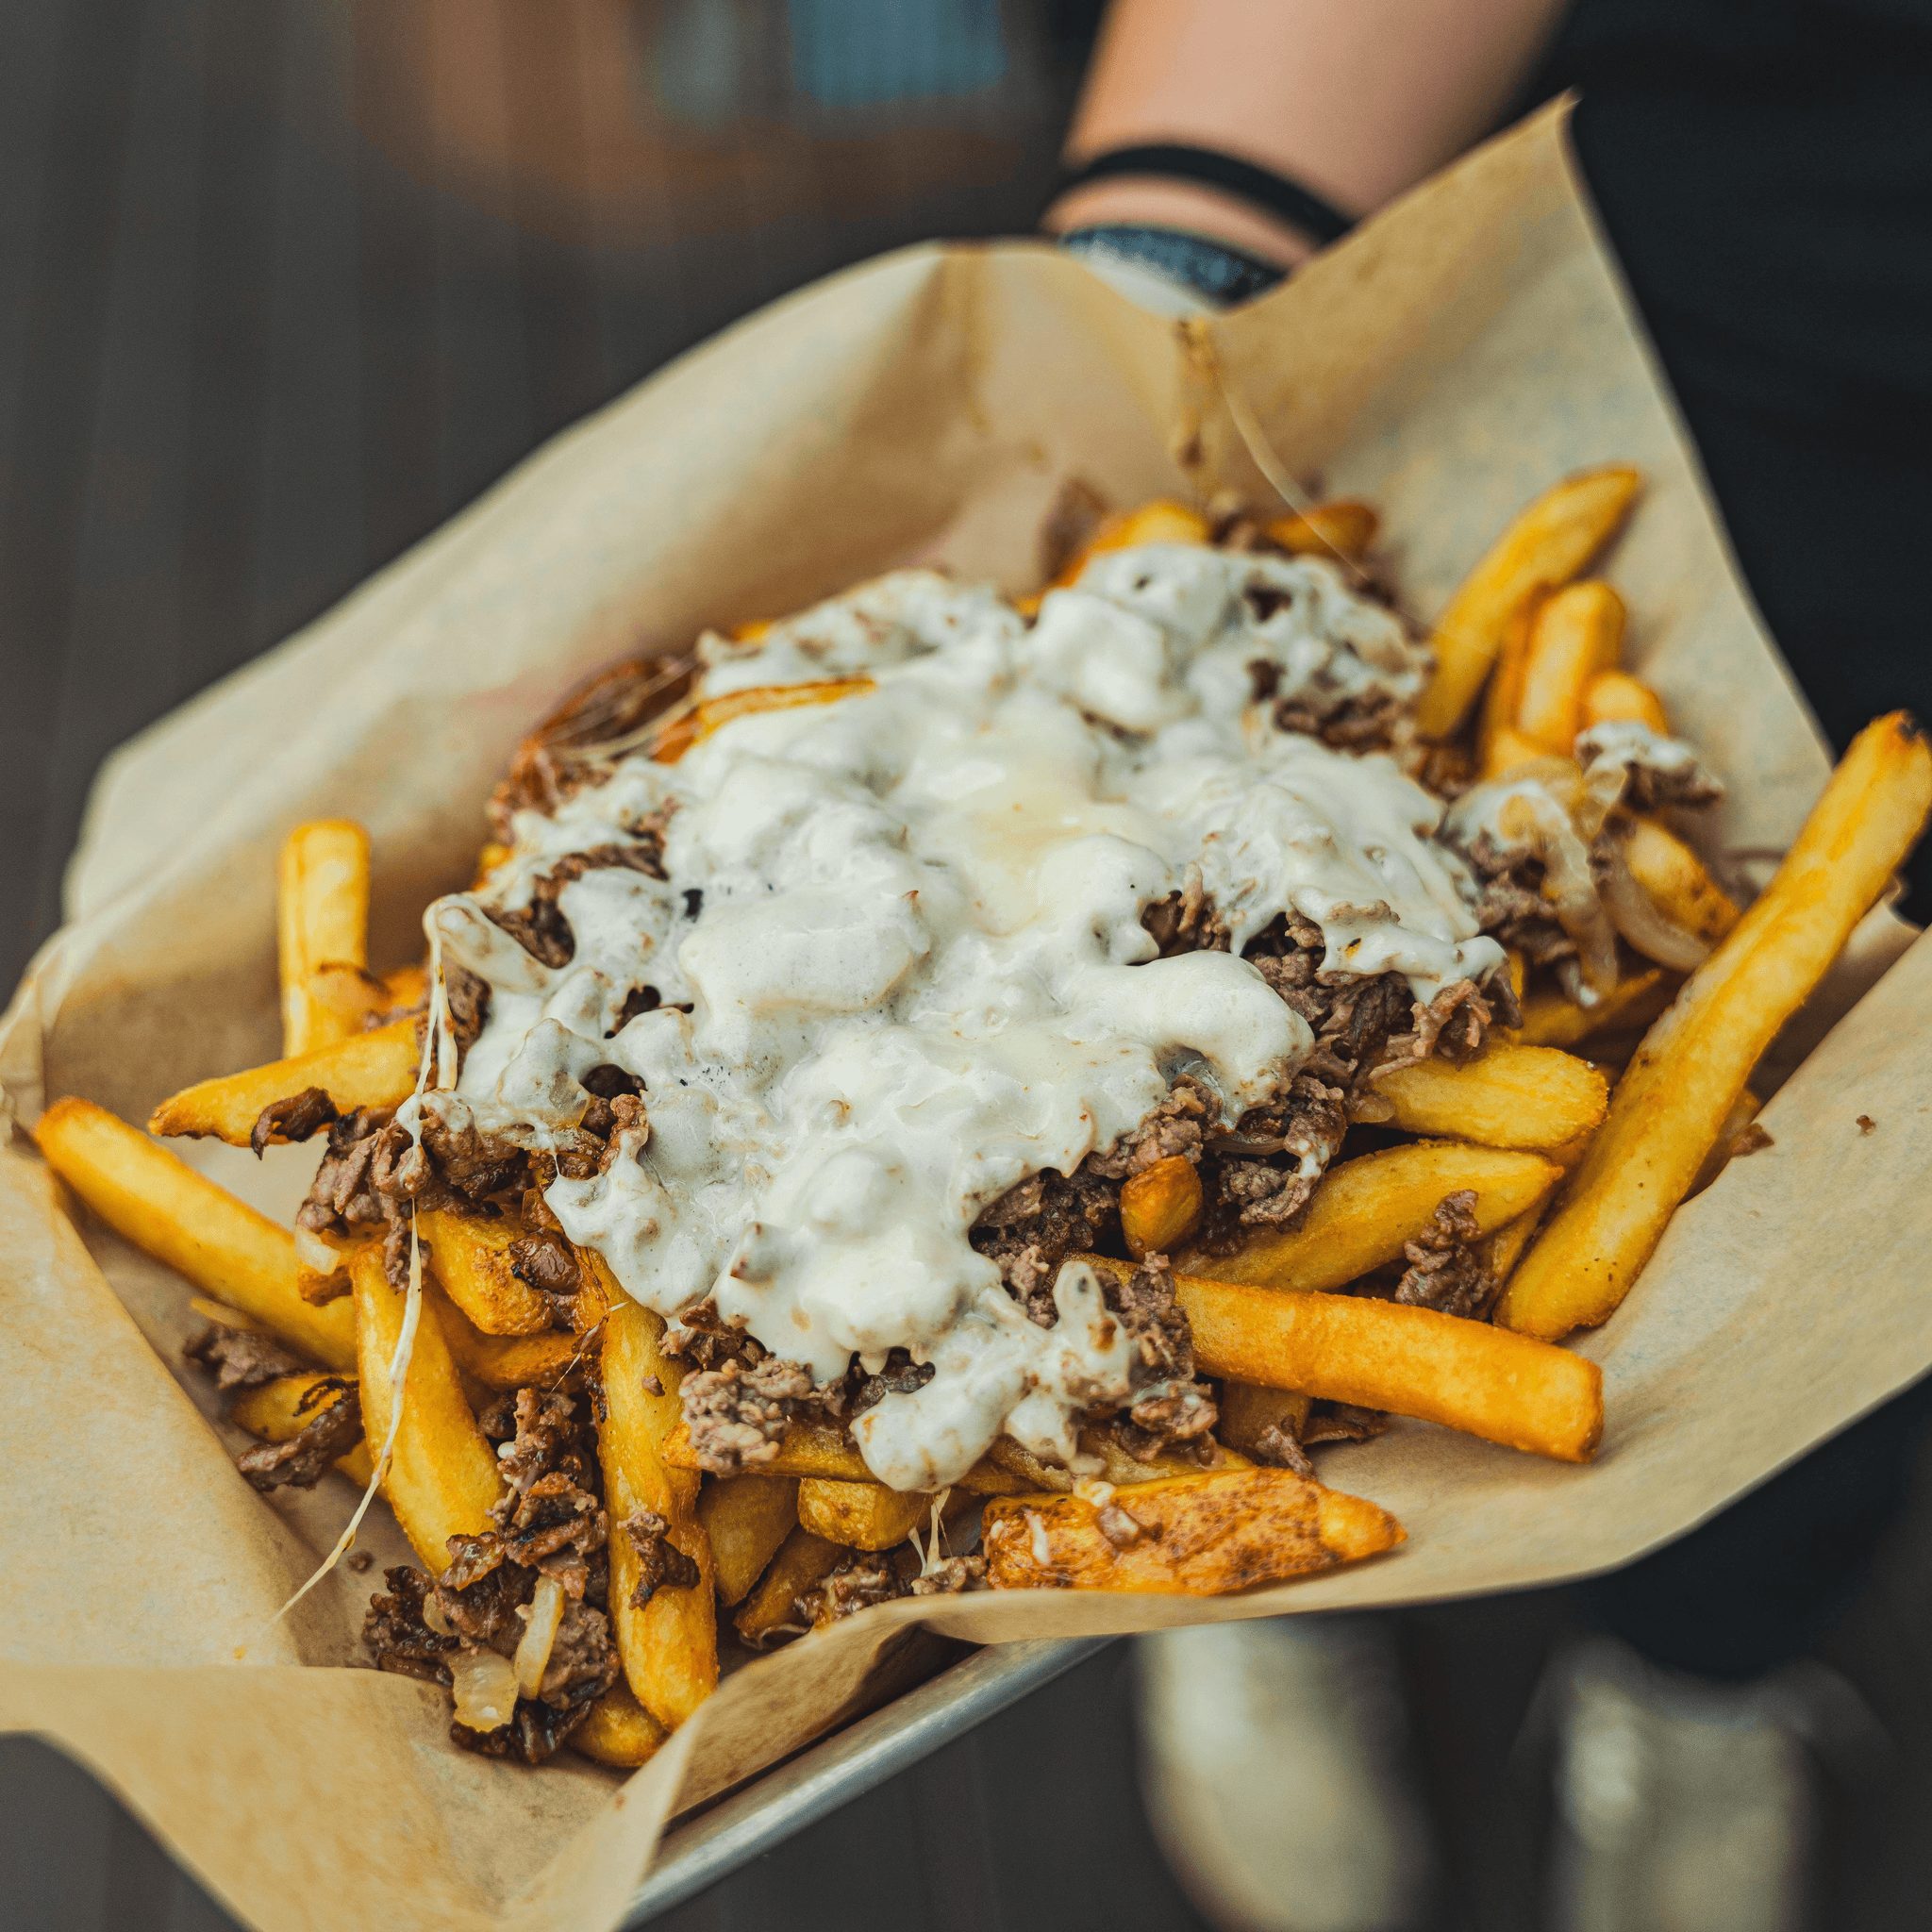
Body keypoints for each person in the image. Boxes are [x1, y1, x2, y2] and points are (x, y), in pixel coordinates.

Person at [1041, 5, 1932, 1927]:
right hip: (1454, 202)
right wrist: (1162, 284)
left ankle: (1707, 1663)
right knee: (1135, 1175)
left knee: (1855, 1152)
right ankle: (1245, 1557)